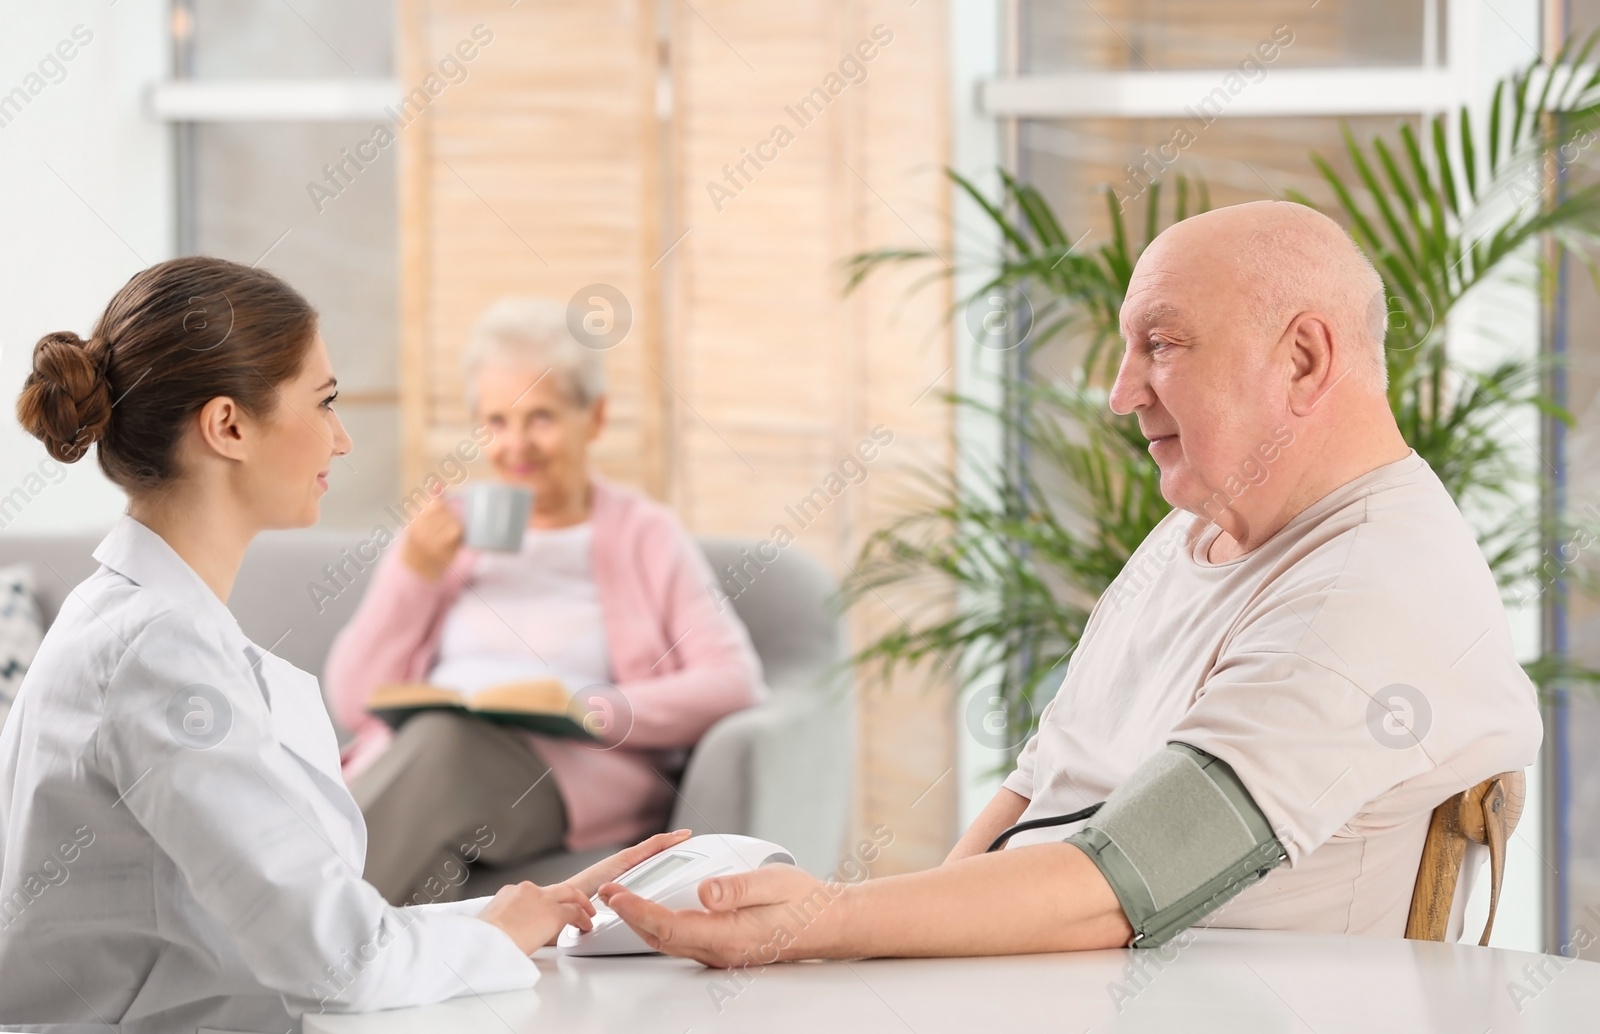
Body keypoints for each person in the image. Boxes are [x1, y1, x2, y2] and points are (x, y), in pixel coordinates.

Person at [598, 200, 1545, 964]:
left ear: (1302, 359)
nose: (1121, 392)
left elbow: (1129, 876)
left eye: (1164, 345)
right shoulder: (1196, 533)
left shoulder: (1373, 590)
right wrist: (861, 959)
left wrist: (824, 924)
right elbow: (1036, 788)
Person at [0, 258, 689, 1032]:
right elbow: (342, 966)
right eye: (324, 403)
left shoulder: (145, 625)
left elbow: (304, 936)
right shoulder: (157, 655)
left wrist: (515, 914)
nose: (343, 438)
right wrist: (497, 934)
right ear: (228, 426)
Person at [324, 298, 764, 906]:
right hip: (429, 755)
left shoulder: (645, 534)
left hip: (558, 774)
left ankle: (290, 946)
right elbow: (352, 698)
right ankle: (349, 959)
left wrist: (593, 709)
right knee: (437, 748)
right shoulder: (443, 531)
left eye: (542, 418)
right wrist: (417, 576)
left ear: (596, 417)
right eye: (497, 422)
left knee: (444, 750)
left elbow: (732, 683)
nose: (516, 445)